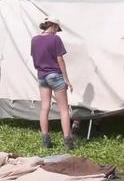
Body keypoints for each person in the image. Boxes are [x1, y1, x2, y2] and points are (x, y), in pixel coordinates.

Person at [31, 17, 75, 150]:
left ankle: (46, 140)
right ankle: (68, 141)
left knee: (45, 107)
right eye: (57, 29)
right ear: (53, 26)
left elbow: (34, 59)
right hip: (55, 75)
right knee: (63, 110)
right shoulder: (55, 39)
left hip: (42, 76)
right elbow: (60, 59)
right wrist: (66, 79)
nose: (57, 32)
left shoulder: (34, 39)